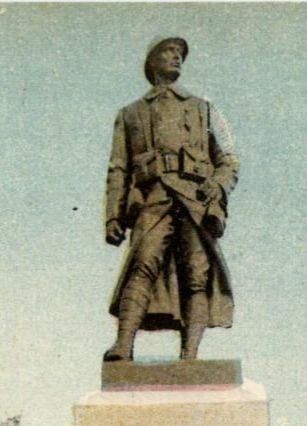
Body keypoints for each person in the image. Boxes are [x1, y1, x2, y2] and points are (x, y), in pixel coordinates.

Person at [104, 36, 239, 362]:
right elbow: (118, 168)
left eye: (180, 53)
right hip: (153, 198)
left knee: (197, 276)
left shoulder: (203, 108)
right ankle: (124, 346)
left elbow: (229, 159)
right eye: (169, 52)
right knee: (141, 267)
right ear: (152, 63)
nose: (177, 57)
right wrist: (112, 216)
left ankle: (189, 356)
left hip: (195, 200)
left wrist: (218, 185)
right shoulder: (130, 114)